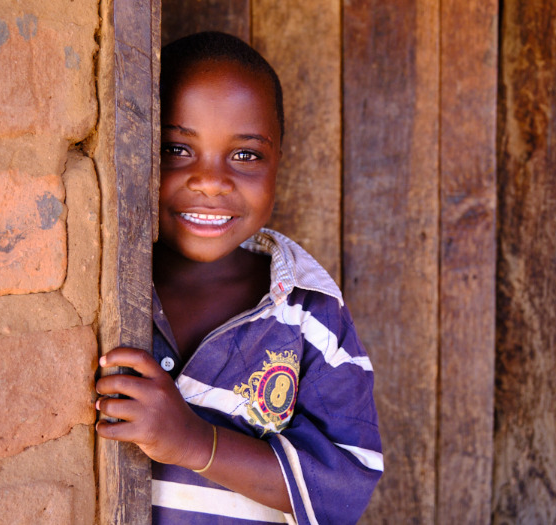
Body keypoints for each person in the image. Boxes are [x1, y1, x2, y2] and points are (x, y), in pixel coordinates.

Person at [95, 31, 382, 524]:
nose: (210, 181)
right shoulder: (100, 288)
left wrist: (193, 442)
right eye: (176, 148)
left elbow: (344, 489)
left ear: (279, 162)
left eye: (245, 155)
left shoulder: (307, 313)